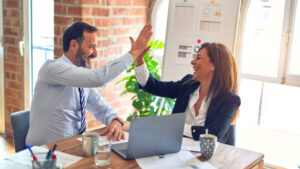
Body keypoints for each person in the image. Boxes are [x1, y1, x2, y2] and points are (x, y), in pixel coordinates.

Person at [26, 22, 152, 146]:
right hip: (44, 154)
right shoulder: (52, 68)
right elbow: (98, 78)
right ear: (74, 45)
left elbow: (101, 108)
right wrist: (134, 53)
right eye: (91, 47)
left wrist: (115, 120)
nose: (95, 54)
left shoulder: (81, 79)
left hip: (73, 148)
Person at [135, 42, 241, 145]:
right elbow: (153, 86)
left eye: (198, 58)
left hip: (208, 157)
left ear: (213, 65)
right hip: (176, 148)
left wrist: (177, 127)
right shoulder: (188, 84)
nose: (192, 62)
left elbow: (213, 134)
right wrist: (139, 61)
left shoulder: (230, 99)